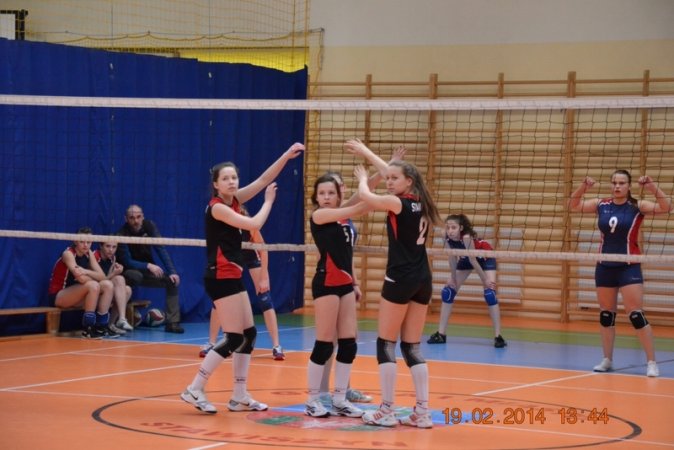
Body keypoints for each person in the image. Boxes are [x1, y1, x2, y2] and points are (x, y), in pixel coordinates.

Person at [180, 142, 304, 414]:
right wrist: (268, 202)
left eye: (234, 177)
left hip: (232, 276)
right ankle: (195, 387)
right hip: (219, 276)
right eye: (225, 178)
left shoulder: (234, 201)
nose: (231, 181)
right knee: (235, 338)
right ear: (216, 184)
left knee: (248, 334)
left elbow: (262, 180)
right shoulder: (217, 208)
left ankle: (239, 396)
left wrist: (285, 155)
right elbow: (254, 224)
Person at [345, 138, 441, 429]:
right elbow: (392, 173)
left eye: (393, 179)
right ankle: (422, 412)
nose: (388, 182)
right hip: (423, 278)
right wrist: (366, 152)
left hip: (400, 277)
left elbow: (367, 197)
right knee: (412, 347)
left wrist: (363, 179)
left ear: (408, 181)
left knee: (385, 344)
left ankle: (386, 410)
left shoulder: (396, 202)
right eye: (388, 178)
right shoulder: (421, 202)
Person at [569, 170, 672, 378]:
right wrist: (583, 187)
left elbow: (666, 207)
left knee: (636, 315)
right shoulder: (601, 204)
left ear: (629, 186)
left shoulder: (637, 206)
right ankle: (607, 359)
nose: (617, 186)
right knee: (606, 315)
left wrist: (651, 186)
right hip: (605, 265)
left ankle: (651, 362)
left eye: (622, 183)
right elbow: (573, 205)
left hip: (628, 265)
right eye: (614, 182)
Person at [305, 173, 372, 418]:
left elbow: (357, 203)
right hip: (326, 282)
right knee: (324, 344)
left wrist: (374, 174)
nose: (326, 197)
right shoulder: (319, 215)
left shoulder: (342, 215)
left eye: (331, 193)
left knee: (348, 343)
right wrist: (366, 187)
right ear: (316, 197)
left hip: (345, 285)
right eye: (322, 193)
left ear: (338, 195)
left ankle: (340, 399)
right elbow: (359, 206)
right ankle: (312, 400)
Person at [200, 203, 285, 361]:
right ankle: (211, 342)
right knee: (219, 300)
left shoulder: (248, 225)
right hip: (233, 259)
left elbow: (264, 249)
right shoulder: (224, 225)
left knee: (265, 298)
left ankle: (276, 345)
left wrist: (264, 277)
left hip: (251, 256)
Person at [427, 214, 507, 348]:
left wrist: (485, 280)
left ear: (461, 228)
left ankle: (498, 337)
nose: (450, 230)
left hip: (485, 256)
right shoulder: (445, 235)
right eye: (448, 227)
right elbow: (452, 257)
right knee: (448, 291)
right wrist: (453, 277)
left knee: (490, 294)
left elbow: (473, 260)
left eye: (453, 227)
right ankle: (441, 334)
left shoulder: (466, 237)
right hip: (467, 258)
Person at [116, 204, 184, 333]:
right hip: (129, 272)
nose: (136, 221)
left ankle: (172, 323)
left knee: (172, 281)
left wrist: (172, 272)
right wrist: (147, 265)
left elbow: (160, 248)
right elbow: (127, 261)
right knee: (136, 276)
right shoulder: (121, 234)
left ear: (143, 216)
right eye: (132, 218)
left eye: (138, 217)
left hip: (147, 271)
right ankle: (124, 313)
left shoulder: (149, 226)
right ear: (126, 219)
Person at [47, 227, 118, 338]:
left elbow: (103, 277)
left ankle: (101, 326)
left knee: (107, 285)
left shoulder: (89, 253)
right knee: (93, 285)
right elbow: (80, 279)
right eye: (82, 242)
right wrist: (92, 278)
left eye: (88, 242)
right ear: (75, 241)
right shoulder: (68, 254)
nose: (85, 245)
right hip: (59, 295)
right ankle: (88, 329)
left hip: (77, 293)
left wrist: (86, 271)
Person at [95, 241, 133, 333]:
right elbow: (100, 281)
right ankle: (116, 321)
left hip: (106, 290)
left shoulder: (113, 258)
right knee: (118, 278)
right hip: (94, 291)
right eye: (108, 246)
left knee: (127, 290)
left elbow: (107, 277)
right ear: (101, 246)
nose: (111, 250)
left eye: (114, 247)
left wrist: (115, 272)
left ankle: (112, 324)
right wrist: (114, 273)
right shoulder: (94, 256)